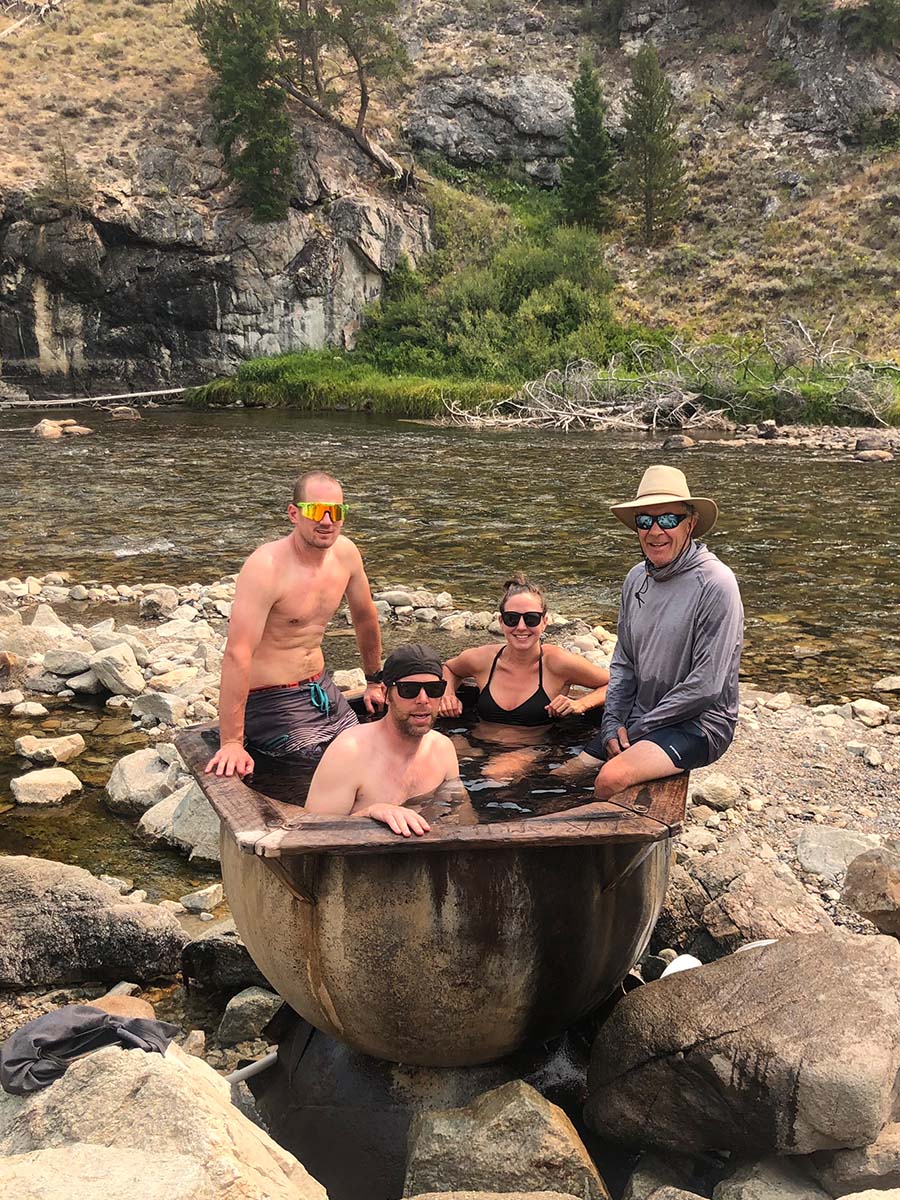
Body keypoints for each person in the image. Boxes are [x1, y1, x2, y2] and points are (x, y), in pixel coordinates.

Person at [573, 465, 743, 800]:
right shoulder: (636, 578)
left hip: (700, 723)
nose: (655, 531)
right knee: (569, 772)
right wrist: (612, 722)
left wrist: (635, 731)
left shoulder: (716, 584)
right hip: (643, 715)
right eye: (644, 521)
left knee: (611, 777)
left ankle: (607, 852)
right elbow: (624, 663)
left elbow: (706, 685)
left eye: (667, 519)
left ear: (690, 524)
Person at [206, 470, 385, 778]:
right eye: (316, 510)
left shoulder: (346, 554)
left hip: (322, 687)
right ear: (294, 513)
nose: (327, 521)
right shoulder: (266, 567)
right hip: (272, 700)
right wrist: (232, 742)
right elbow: (238, 652)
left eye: (336, 511)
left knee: (374, 755)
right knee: (320, 775)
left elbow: (365, 617)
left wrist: (373, 680)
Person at [305, 643, 461, 837]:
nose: (423, 699)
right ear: (386, 694)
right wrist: (370, 813)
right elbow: (310, 832)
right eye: (408, 690)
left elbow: (462, 817)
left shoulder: (443, 749)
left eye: (434, 689)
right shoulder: (349, 752)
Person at [439, 574, 609, 726]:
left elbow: (616, 683)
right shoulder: (483, 659)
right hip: (477, 745)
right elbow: (449, 668)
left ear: (544, 622)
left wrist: (582, 703)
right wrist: (448, 694)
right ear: (500, 621)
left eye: (531, 619)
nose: (521, 627)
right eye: (512, 618)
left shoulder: (557, 662)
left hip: (532, 752)